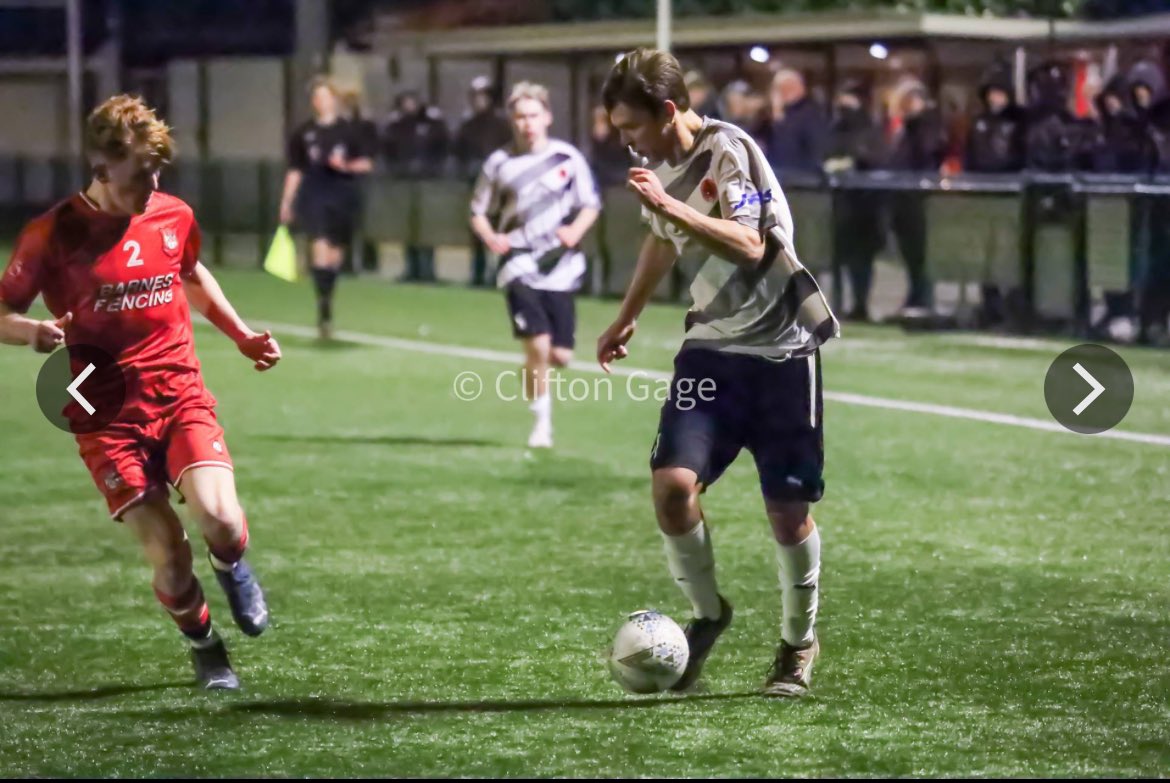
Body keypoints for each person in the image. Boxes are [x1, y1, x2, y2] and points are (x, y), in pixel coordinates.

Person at [0, 94, 281, 689]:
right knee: (170, 558)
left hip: (178, 391)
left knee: (223, 521)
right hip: (103, 412)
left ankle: (232, 565)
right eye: (138, 174)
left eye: (158, 171)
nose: (151, 185)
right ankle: (206, 646)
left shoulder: (172, 214)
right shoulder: (52, 233)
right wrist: (31, 332)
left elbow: (190, 271)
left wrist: (241, 334)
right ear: (101, 169)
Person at [597, 48, 838, 698]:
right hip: (710, 352)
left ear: (668, 111)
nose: (625, 142)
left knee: (788, 515)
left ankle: (797, 645)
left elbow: (751, 242)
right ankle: (707, 615)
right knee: (673, 487)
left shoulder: (730, 149)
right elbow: (659, 239)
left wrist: (673, 210)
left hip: (782, 354)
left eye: (631, 127)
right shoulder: (657, 169)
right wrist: (627, 316)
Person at [469, 82, 600, 449]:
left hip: (560, 265)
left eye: (533, 115)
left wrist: (575, 230)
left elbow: (590, 204)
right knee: (539, 347)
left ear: (547, 117)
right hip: (518, 264)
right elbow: (477, 211)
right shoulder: (499, 163)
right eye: (520, 116)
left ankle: (532, 370)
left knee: (561, 356)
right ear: (512, 120)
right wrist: (491, 238)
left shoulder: (567, 159)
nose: (527, 123)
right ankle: (541, 425)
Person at [279, 77, 374, 340]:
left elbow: (366, 164)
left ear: (334, 99)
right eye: (317, 97)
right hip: (315, 196)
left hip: (343, 197)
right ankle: (323, 311)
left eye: (325, 96)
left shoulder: (349, 131)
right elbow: (295, 170)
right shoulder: (304, 133)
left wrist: (345, 166)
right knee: (319, 249)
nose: (321, 101)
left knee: (334, 257)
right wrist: (287, 202)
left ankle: (327, 301)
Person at [886, 79, 947, 315]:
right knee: (909, 253)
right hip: (902, 197)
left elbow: (927, 153)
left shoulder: (924, 127)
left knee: (920, 252)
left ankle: (922, 297)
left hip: (918, 199)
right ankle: (915, 295)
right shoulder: (903, 129)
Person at [382, 90, 450, 282]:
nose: (409, 105)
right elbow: (388, 150)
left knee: (428, 227)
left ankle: (428, 269)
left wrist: (434, 170)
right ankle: (411, 268)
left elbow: (443, 148)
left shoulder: (432, 123)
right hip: (404, 184)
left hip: (428, 183)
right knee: (407, 227)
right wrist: (396, 171)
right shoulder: (397, 125)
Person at [454, 76, 513, 287]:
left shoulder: (502, 124)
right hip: (476, 183)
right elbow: (458, 152)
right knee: (478, 227)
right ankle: (478, 273)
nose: (480, 101)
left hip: (500, 184)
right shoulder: (468, 125)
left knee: (502, 227)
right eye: (476, 97)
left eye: (483, 96)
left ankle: (501, 272)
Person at [765, 69, 828, 174]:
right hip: (783, 176)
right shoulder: (783, 114)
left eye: (782, 89)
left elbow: (789, 146)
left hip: (801, 177)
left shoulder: (809, 113)